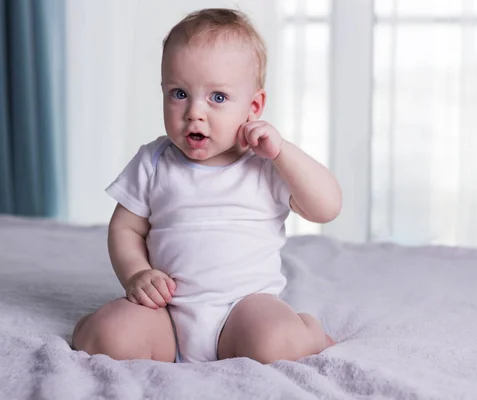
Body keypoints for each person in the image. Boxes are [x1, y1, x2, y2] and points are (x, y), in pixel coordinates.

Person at [71, 8, 342, 364]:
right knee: (110, 336)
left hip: (244, 310)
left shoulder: (265, 163)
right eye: (179, 93)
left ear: (254, 106)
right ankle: (94, 328)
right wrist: (136, 273)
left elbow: (327, 207)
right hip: (166, 313)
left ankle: (305, 330)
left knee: (274, 344)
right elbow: (125, 227)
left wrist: (283, 153)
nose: (194, 112)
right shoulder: (154, 161)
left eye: (217, 98)